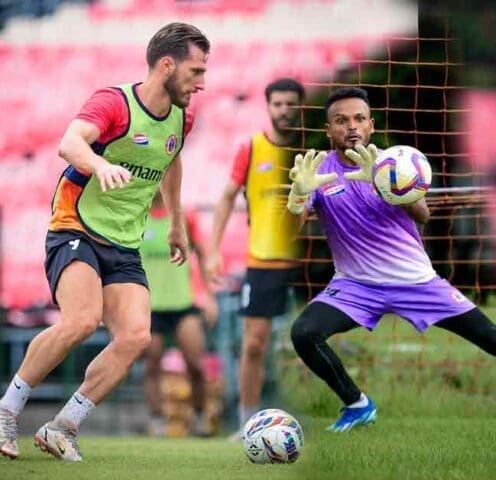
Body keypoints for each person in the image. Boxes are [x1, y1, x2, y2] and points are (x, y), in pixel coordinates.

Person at [286, 87, 496, 432]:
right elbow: (289, 231)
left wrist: (385, 185)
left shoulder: (391, 163)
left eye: (358, 119)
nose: (351, 127)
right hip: (355, 286)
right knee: (304, 332)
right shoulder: (317, 171)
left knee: (495, 339)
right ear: (329, 130)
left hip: (417, 283)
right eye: (341, 121)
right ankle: (357, 404)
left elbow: (423, 214)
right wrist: (298, 197)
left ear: (371, 125)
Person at [0, 22, 209, 461]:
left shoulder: (182, 116)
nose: (201, 82)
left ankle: (63, 426)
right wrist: (99, 165)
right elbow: (69, 142)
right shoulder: (114, 102)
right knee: (81, 321)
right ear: (166, 65)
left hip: (124, 241)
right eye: (194, 71)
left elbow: (171, 162)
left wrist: (176, 222)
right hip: (75, 225)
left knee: (136, 337)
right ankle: (7, 412)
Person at [205, 78, 305, 436]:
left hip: (311, 264)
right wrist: (213, 250)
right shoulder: (251, 148)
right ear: (268, 107)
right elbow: (226, 197)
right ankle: (248, 423)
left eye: (291, 103)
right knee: (253, 344)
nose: (284, 110)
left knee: (323, 338)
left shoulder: (314, 150)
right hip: (263, 261)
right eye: (278, 104)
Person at [140, 192, 217, 437]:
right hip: (149, 307)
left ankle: (199, 416)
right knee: (152, 364)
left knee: (195, 364)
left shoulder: (185, 216)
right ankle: (157, 421)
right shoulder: (136, 215)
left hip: (183, 304)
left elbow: (203, 255)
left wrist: (210, 297)